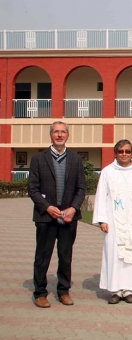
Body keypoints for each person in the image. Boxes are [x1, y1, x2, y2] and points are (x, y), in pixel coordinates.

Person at [28, 121, 86, 308]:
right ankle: (40, 293)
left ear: (67, 135)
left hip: (68, 217)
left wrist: (73, 208)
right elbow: (33, 189)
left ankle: (63, 291)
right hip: (46, 217)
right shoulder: (39, 159)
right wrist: (47, 207)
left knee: (65, 255)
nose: (59, 135)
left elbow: (81, 188)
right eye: (56, 132)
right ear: (51, 135)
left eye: (63, 132)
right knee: (43, 256)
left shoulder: (75, 159)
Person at [93, 140, 132, 304]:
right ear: (116, 153)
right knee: (113, 255)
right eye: (121, 151)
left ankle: (128, 290)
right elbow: (101, 196)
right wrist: (102, 219)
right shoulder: (108, 171)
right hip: (113, 221)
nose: (124, 154)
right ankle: (115, 290)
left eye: (127, 151)